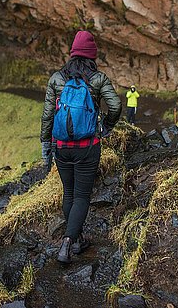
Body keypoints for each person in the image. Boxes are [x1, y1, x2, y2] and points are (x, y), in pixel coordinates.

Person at [40, 30, 121, 264]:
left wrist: (46, 144)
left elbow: (47, 115)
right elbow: (115, 106)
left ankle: (76, 239)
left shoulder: (57, 79)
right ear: (92, 55)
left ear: (72, 53)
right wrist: (106, 125)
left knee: (69, 193)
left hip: (62, 147)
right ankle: (68, 242)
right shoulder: (98, 79)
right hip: (88, 146)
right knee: (82, 196)